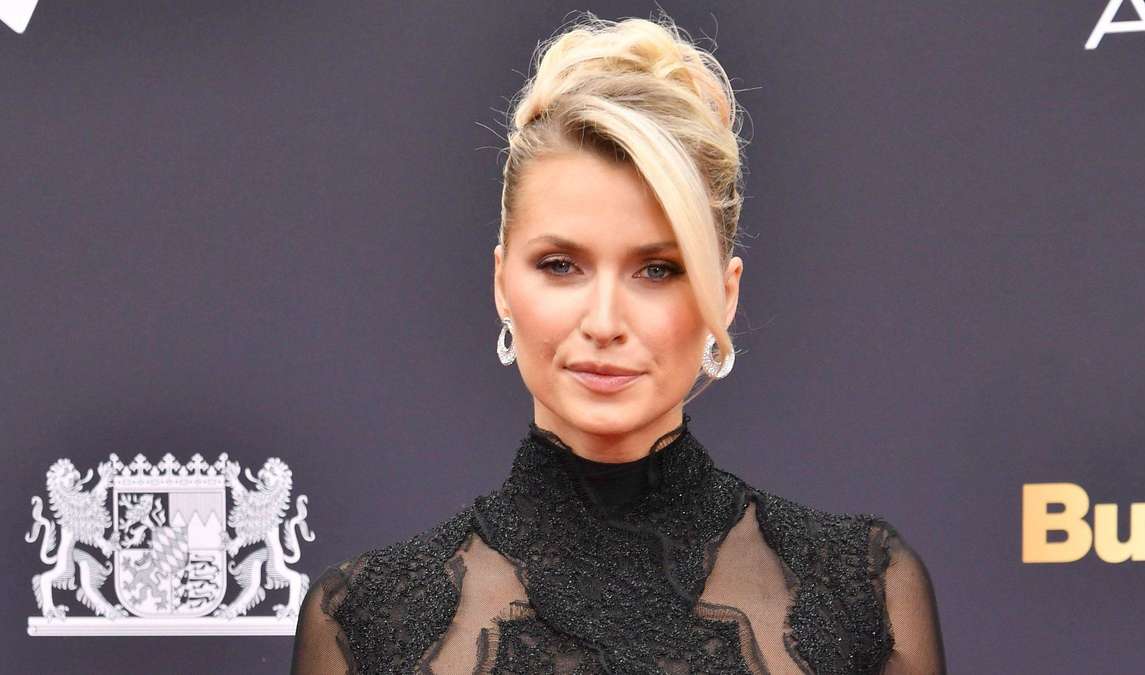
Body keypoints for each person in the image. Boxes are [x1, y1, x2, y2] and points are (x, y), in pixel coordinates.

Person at [290, 11, 945, 675]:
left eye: (656, 270)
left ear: (724, 295)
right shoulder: (363, 623)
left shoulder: (863, 595)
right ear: (501, 283)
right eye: (561, 265)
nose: (604, 321)